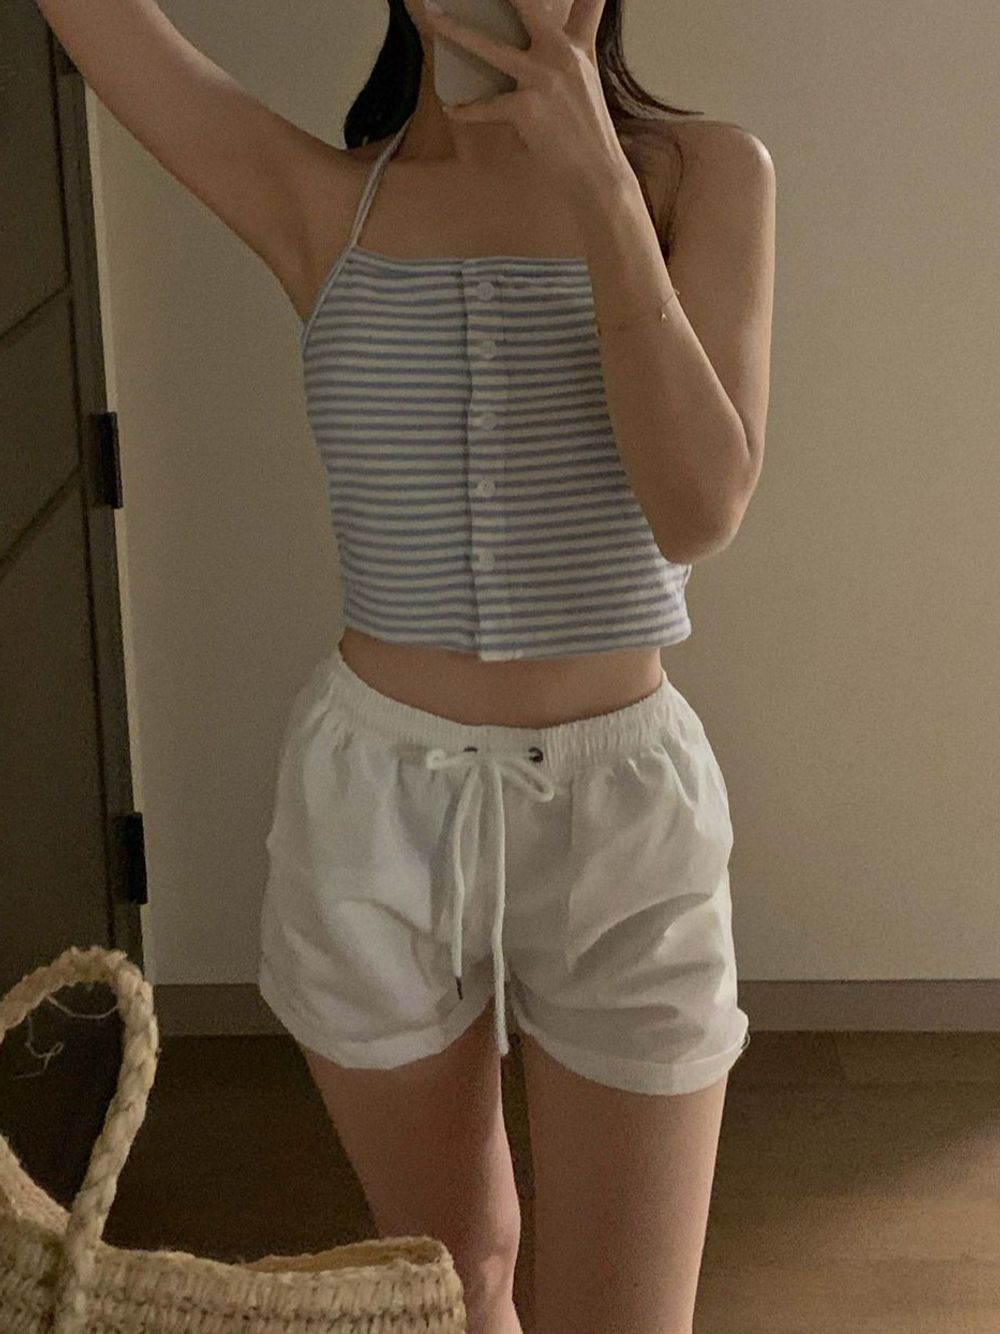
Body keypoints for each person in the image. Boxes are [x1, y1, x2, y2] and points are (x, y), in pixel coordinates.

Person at [39, 0, 774, 1329]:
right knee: (454, 1278)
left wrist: (600, 186)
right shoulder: (322, 199)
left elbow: (700, 507)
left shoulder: (701, 175)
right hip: (375, 811)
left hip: (621, 813)